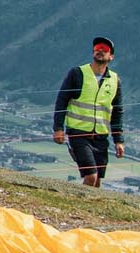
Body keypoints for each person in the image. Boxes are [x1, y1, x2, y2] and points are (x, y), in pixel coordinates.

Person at [53, 36, 125, 187]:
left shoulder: (115, 80)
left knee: (97, 181)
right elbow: (62, 100)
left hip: (100, 136)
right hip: (79, 133)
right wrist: (58, 128)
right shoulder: (77, 73)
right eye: (97, 48)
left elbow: (117, 111)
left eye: (104, 49)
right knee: (91, 176)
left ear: (111, 56)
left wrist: (118, 140)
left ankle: (89, 209)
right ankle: (77, 206)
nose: (99, 50)